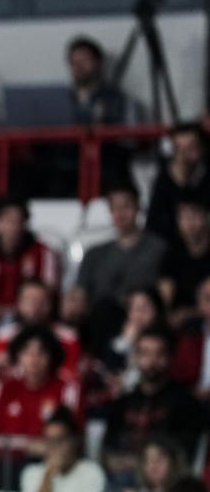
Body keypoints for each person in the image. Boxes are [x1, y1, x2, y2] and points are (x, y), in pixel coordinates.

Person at [74, 182, 167, 346]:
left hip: (144, 320)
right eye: (115, 208)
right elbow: (79, 294)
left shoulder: (157, 249)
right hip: (100, 322)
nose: (120, 213)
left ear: (138, 207)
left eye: (126, 206)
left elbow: (166, 291)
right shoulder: (94, 253)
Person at [0, 196, 61, 351]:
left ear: (26, 224)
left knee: (10, 322)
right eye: (7, 220)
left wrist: (9, 310)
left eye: (18, 221)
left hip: (28, 321)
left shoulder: (42, 252)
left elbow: (48, 297)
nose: (13, 226)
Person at [103, 328, 204, 472]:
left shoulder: (187, 404)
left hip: (168, 487)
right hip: (120, 482)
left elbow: (182, 458)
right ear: (135, 357)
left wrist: (138, 464)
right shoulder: (121, 404)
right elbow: (107, 455)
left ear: (170, 357)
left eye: (159, 354)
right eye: (145, 353)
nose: (151, 361)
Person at [0, 326, 81, 460]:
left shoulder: (67, 388)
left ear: (52, 357)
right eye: (27, 352)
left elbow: (70, 441)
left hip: (49, 464)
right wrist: (28, 446)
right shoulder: (2, 387)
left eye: (41, 352)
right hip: (4, 464)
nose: (34, 359)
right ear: (17, 356)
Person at [0, 279, 81, 385]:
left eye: (41, 300)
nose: (35, 306)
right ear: (19, 303)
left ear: (50, 304)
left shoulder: (68, 337)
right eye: (29, 300)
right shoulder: (5, 335)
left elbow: (72, 377)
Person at [146, 123, 210, 247]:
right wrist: (179, 179)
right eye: (179, 149)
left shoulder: (207, 173)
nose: (184, 155)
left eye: (190, 148)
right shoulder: (165, 177)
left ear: (201, 147)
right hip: (172, 247)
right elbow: (153, 225)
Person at [159, 195, 210, 329]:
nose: (189, 222)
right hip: (180, 324)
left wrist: (191, 313)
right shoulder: (172, 255)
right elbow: (165, 296)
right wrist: (167, 316)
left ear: (206, 216)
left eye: (194, 215)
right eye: (184, 217)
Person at [65, 36, 132, 126]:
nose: (79, 67)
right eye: (73, 62)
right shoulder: (62, 99)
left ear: (99, 63)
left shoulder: (116, 100)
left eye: (85, 60)